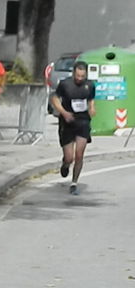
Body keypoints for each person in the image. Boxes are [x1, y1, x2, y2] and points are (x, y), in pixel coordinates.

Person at [50, 60, 96, 195]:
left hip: (83, 121)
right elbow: (54, 99)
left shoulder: (90, 85)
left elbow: (91, 99)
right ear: (74, 73)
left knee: (79, 155)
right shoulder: (65, 84)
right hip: (68, 122)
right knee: (69, 157)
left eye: (82, 76)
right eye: (77, 76)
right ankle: (65, 164)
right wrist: (63, 112)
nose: (79, 79)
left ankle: (74, 183)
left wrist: (92, 108)